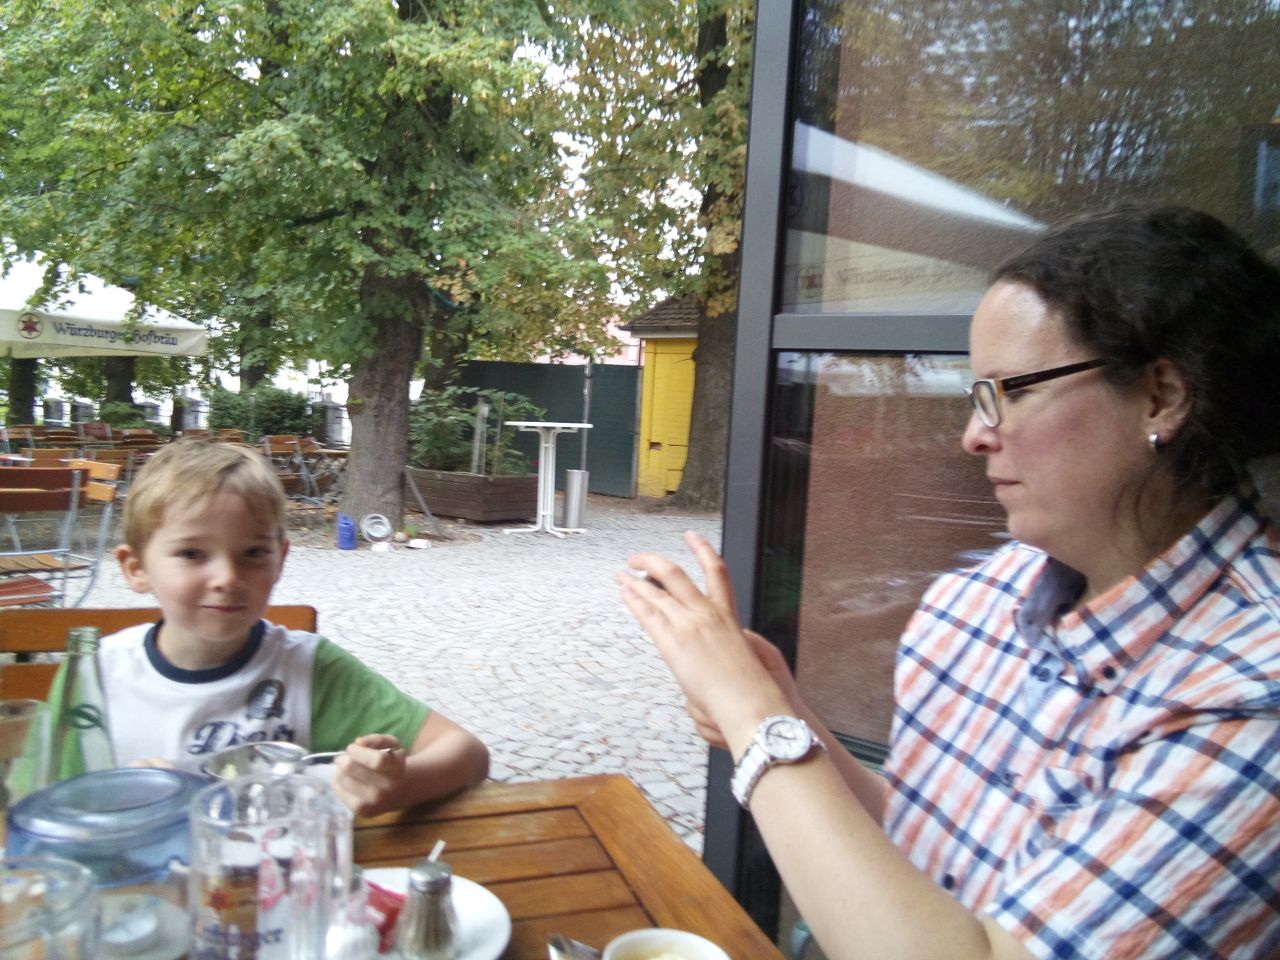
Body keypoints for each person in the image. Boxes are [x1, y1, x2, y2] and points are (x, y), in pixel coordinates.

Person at [619, 205, 1280, 959]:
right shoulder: (981, 598)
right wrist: (790, 714)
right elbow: (924, 841)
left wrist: (754, 716)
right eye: (976, 396)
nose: (973, 435)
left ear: (1161, 396)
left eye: (1011, 391)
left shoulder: (1250, 700)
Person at [64, 438, 489, 816]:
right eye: (192, 554)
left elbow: (468, 754)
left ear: (280, 559)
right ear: (136, 568)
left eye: (253, 552)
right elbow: (49, 812)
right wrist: (121, 802)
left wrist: (400, 785)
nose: (227, 577)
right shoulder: (96, 677)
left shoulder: (308, 669)